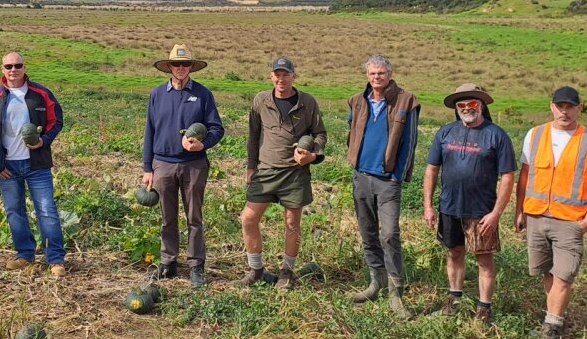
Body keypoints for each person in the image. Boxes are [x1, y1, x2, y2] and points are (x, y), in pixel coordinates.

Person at [514, 86, 587, 339]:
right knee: (547, 272)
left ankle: (552, 331)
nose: (564, 111)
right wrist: (518, 210)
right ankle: (552, 320)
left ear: (580, 108)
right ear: (551, 106)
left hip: (570, 221)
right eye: (559, 106)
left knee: (564, 276)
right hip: (535, 216)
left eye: (570, 106)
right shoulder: (535, 135)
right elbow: (525, 175)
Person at [423, 83, 516, 325]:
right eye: (461, 105)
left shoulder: (497, 135)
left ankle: (484, 309)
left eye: (472, 104)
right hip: (449, 207)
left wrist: (496, 213)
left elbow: (507, 177)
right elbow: (432, 169)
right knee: (454, 253)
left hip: (481, 211)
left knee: (483, 258)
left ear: (482, 105)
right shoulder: (445, 133)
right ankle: (454, 300)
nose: (467, 108)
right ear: (456, 108)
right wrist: (428, 205)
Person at [240, 56, 327, 291]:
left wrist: (312, 155)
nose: (281, 78)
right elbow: (253, 136)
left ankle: (286, 271)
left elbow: (319, 134)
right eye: (277, 74)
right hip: (266, 169)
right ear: (271, 76)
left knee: (292, 223)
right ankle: (256, 269)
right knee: (248, 218)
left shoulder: (307, 102)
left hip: (294, 172)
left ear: (293, 76)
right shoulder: (260, 100)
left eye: (286, 74)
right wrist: (251, 166)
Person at [0, 51, 67, 277]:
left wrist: (44, 141)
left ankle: (54, 259)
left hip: (37, 165)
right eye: (8, 66)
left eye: (17, 65)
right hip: (8, 167)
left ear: (25, 67)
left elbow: (56, 120)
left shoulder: (40, 94)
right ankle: (24, 254)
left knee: (46, 210)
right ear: (2, 69)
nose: (13, 70)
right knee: (14, 212)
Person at [345, 54, 421, 319]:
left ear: (390, 74)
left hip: (387, 180)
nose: (376, 78)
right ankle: (375, 282)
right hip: (362, 176)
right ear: (367, 75)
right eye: (372, 73)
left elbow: (410, 142)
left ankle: (395, 291)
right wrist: (354, 164)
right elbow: (350, 131)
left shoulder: (406, 100)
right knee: (367, 232)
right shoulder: (357, 101)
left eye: (381, 73)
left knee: (389, 234)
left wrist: (396, 176)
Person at [142, 44, 224, 288]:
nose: (180, 68)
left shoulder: (202, 94)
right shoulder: (157, 94)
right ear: (168, 66)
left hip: (194, 164)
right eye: (176, 64)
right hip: (163, 164)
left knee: (194, 217)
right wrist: (148, 168)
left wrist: (203, 145)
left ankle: (196, 265)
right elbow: (150, 131)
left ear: (191, 67)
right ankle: (168, 262)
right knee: (167, 217)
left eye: (185, 64)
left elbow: (217, 128)